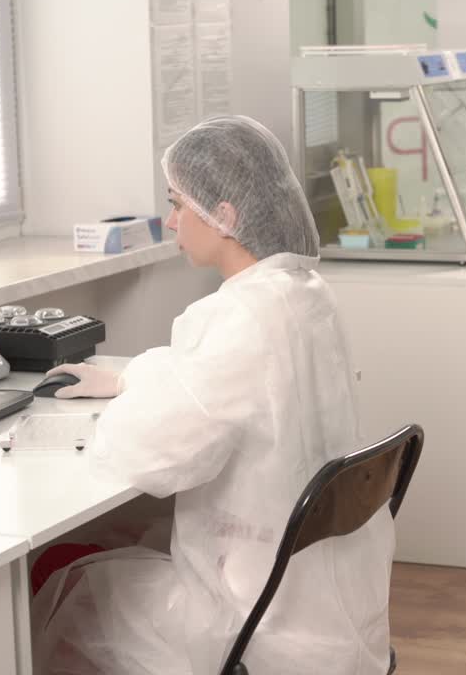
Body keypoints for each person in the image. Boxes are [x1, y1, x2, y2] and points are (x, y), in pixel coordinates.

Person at [30, 116, 395, 675]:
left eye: (179, 204)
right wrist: (126, 380)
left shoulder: (239, 315)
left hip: (247, 622)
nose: (172, 221)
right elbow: (217, 384)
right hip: (323, 610)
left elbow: (150, 457)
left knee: (61, 580)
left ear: (224, 216)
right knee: (130, 537)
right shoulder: (304, 294)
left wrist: (99, 422)